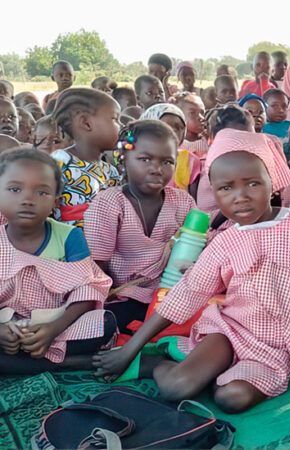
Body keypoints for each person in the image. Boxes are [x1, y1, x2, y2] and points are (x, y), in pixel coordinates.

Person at [93, 128, 290, 414]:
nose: (240, 197)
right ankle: (156, 365)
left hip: (274, 347)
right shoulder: (225, 241)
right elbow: (186, 295)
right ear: (214, 193)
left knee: (231, 398)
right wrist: (130, 349)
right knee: (176, 388)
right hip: (228, 331)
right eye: (226, 188)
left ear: (271, 182)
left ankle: (201, 367)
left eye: (252, 184)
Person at [0, 148, 115, 374]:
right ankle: (66, 363)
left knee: (105, 322)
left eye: (41, 193)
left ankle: (33, 362)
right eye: (14, 189)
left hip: (59, 324)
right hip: (8, 329)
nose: (27, 200)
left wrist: (53, 329)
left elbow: (88, 291)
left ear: (56, 201)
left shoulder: (69, 237)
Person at [84, 120, 196, 333]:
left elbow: (196, 252)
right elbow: (96, 269)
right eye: (145, 159)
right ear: (124, 159)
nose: (156, 169)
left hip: (170, 295)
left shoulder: (183, 202)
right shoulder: (109, 203)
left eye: (167, 162)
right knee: (102, 325)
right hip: (122, 296)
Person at [51, 88, 121, 227]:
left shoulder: (111, 171)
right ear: (86, 123)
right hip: (69, 245)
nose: (121, 126)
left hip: (105, 243)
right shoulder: (59, 162)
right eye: (115, 119)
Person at [173, 92, 208, 159]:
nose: (201, 117)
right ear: (179, 116)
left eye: (202, 112)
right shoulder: (176, 144)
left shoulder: (208, 140)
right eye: (192, 113)